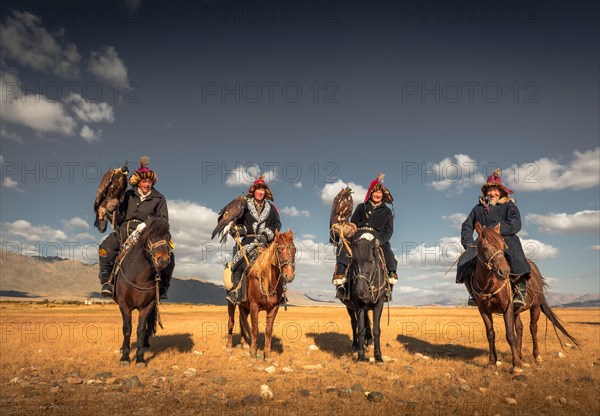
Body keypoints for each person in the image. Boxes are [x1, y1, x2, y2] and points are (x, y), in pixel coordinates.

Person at [98, 156, 174, 298]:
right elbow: (119, 218)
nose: (147, 184)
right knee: (104, 248)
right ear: (138, 182)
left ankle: (163, 287)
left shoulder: (159, 198)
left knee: (170, 255)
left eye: (150, 181)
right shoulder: (127, 195)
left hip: (149, 233)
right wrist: (111, 211)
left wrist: (147, 223)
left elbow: (164, 220)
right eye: (144, 181)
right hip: (125, 231)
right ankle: (107, 282)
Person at [458, 169, 530, 308]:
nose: (492, 193)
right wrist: (468, 243)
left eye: (496, 190)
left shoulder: (509, 206)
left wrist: (495, 232)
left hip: (505, 239)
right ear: (486, 193)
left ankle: (519, 290)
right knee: (464, 261)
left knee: (516, 257)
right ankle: (473, 293)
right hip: (483, 242)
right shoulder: (478, 209)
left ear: (502, 192)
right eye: (489, 191)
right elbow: (467, 226)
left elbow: (515, 223)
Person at [333, 174, 398, 302]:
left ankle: (388, 287)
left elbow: (388, 230)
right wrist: (347, 229)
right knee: (343, 247)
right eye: (375, 192)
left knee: (388, 253)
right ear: (371, 193)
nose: (378, 195)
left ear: (383, 195)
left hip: (378, 237)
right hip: (358, 234)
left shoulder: (387, 212)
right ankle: (341, 283)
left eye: (380, 193)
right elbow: (354, 223)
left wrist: (380, 240)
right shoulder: (361, 207)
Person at [226, 176, 282, 304]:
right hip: (247, 242)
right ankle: (236, 291)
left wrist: (266, 234)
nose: (260, 192)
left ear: (265, 193)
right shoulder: (244, 205)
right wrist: (237, 230)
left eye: (263, 190)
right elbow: (236, 222)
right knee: (239, 263)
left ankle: (280, 292)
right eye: (258, 189)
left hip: (265, 243)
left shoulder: (271, 208)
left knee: (278, 263)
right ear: (253, 191)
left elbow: (276, 224)